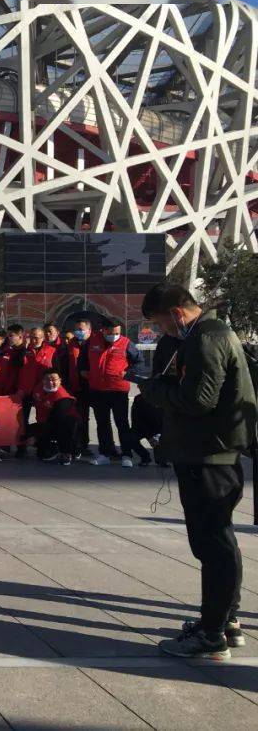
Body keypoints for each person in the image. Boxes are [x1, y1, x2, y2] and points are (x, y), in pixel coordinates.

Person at [134, 283, 255, 660]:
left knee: (213, 545)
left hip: (209, 456)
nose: (162, 331)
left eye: (160, 323)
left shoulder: (206, 338)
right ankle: (226, 620)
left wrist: (151, 389)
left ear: (175, 313)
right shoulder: (206, 334)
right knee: (219, 541)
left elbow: (199, 400)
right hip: (208, 452)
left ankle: (212, 634)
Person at [83, 319, 150, 466]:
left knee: (122, 423)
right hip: (98, 389)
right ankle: (105, 453)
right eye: (111, 333)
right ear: (103, 330)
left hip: (118, 390)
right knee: (102, 423)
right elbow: (82, 358)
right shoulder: (92, 342)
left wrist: (128, 372)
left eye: (117, 333)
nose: (114, 335)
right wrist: (84, 370)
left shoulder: (126, 343)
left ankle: (126, 455)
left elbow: (139, 361)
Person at [15, 327, 56, 458]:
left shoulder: (51, 351)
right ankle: (21, 446)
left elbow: (55, 371)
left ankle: (42, 446)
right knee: (22, 420)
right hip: (26, 390)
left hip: (43, 391)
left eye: (37, 338)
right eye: (32, 337)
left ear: (43, 338)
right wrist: (24, 348)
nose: (34, 340)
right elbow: (17, 366)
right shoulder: (25, 351)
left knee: (43, 420)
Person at [56, 318, 93, 459]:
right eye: (76, 329)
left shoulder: (94, 344)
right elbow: (64, 365)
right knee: (78, 417)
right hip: (74, 386)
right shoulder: (70, 345)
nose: (78, 332)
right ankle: (79, 445)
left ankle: (104, 447)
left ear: (89, 330)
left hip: (92, 386)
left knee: (100, 419)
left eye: (81, 329)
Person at [30, 369, 78, 464]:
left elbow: (54, 420)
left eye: (54, 380)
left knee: (62, 427)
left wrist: (35, 436)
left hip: (61, 423)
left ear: (60, 380)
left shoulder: (63, 398)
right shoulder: (38, 388)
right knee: (41, 453)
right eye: (47, 379)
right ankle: (47, 447)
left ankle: (66, 452)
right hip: (43, 421)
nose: (50, 382)